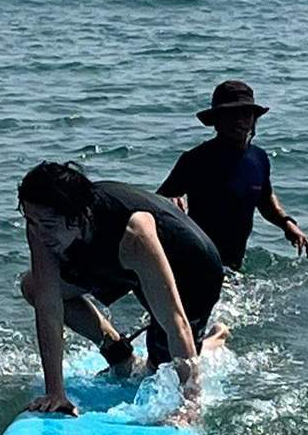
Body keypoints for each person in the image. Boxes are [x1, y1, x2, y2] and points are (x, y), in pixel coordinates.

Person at [17, 161, 228, 418]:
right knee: (33, 286)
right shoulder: (42, 224)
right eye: (31, 221)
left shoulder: (135, 233)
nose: (38, 233)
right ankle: (118, 355)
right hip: (120, 260)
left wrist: (191, 405)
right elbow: (48, 305)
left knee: (160, 371)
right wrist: (55, 393)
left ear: (79, 216)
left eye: (48, 225)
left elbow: (175, 322)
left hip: (193, 268)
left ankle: (214, 339)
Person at [158, 80, 308, 269]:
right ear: (217, 120)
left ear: (254, 119)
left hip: (234, 263)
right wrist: (171, 202)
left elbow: (264, 199)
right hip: (196, 260)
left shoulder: (258, 158)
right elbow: (157, 205)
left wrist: (286, 223)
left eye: (246, 114)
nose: (239, 121)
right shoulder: (196, 159)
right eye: (231, 114)